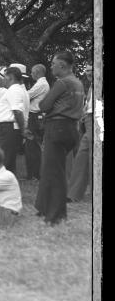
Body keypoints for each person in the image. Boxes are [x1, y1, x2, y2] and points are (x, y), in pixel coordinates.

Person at [35, 52, 84, 225]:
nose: (51, 66)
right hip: (72, 129)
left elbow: (44, 105)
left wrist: (48, 105)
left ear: (62, 65)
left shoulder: (62, 83)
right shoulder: (78, 83)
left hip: (57, 128)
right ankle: (44, 207)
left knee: (55, 172)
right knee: (54, 169)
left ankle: (56, 215)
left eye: (53, 63)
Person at [0, 66, 30, 174]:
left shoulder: (14, 90)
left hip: (6, 128)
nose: (3, 79)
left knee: (3, 160)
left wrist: (22, 129)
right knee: (4, 159)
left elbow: (17, 111)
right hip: (4, 128)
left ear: (10, 77)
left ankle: (1, 183)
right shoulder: (14, 90)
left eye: (5, 77)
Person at [68, 64, 94, 202]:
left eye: (92, 70)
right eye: (87, 70)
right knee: (82, 155)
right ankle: (74, 194)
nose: (88, 73)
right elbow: (88, 105)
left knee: (89, 156)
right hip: (88, 121)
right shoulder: (91, 86)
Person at [25, 64, 50, 180]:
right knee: (32, 145)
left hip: (35, 116)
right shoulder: (42, 84)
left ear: (38, 72)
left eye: (32, 72)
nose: (31, 74)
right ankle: (33, 174)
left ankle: (34, 174)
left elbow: (27, 95)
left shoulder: (41, 84)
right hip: (36, 116)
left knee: (32, 145)